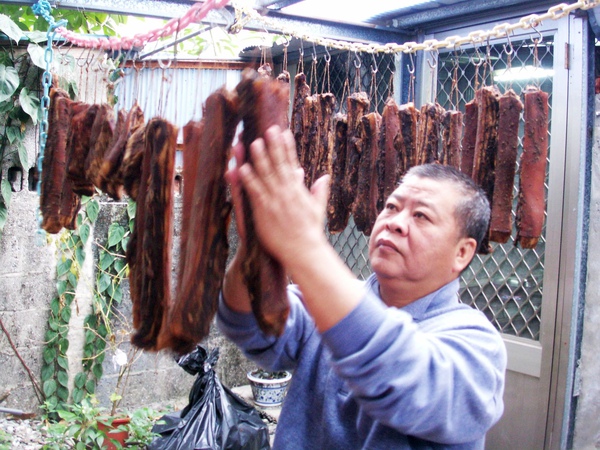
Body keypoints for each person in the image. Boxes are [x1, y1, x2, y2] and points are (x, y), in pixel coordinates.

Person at [217, 125, 507, 449]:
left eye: (422, 216)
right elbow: (246, 322)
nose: (394, 222)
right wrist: (256, 247)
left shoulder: (476, 344)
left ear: (462, 252)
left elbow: (404, 379)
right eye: (392, 207)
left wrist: (305, 248)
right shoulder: (327, 304)